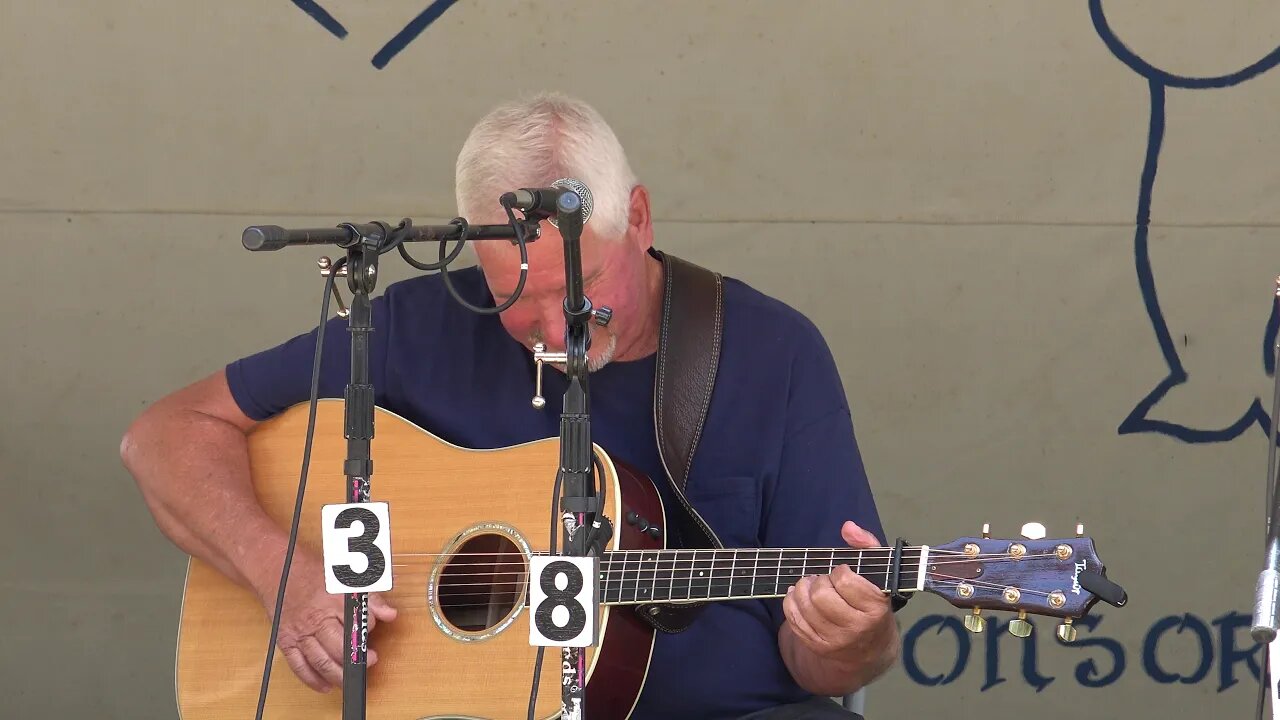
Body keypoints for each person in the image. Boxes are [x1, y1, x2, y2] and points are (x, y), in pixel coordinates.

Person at [121, 92, 898, 719]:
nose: (554, 327)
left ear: (639, 219)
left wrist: (847, 637)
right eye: (515, 295)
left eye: (580, 288)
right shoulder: (415, 326)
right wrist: (280, 573)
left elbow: (827, 663)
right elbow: (164, 436)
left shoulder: (771, 353)